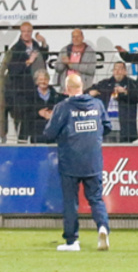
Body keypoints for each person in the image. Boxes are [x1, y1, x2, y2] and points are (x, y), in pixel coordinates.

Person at [36, 72, 111, 251]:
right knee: (96, 198)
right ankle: (102, 227)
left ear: (67, 89)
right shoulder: (97, 104)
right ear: (82, 87)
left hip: (70, 160)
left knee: (71, 202)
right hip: (93, 159)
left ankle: (72, 241)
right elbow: (107, 126)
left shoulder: (63, 107)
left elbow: (49, 133)